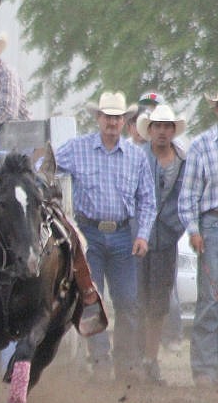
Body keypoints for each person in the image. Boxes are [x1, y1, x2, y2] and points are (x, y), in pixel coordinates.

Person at [55, 91, 157, 382]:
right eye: (107, 116)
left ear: (125, 121)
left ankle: (126, 361)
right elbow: (47, 165)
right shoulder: (78, 148)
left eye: (117, 117)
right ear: (98, 119)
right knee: (91, 299)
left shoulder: (136, 156)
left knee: (128, 301)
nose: (112, 122)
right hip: (89, 235)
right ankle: (100, 359)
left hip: (125, 235)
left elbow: (147, 200)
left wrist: (143, 235)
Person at [134, 104, 186, 384]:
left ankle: (150, 360)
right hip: (137, 239)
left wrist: (173, 228)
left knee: (159, 304)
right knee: (135, 301)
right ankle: (135, 360)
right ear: (150, 130)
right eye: (158, 126)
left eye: (168, 126)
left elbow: (186, 200)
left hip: (166, 241)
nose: (163, 131)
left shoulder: (183, 162)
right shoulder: (138, 157)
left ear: (173, 130)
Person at [178, 92, 218, 387]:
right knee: (211, 297)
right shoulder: (203, 145)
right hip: (212, 223)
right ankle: (205, 368)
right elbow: (189, 194)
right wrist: (194, 230)